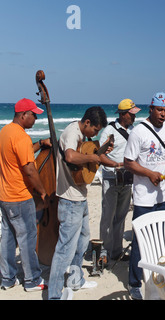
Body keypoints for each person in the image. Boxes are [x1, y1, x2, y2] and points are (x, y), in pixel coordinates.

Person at [48, 106, 111, 300]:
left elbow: (85, 158)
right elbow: (70, 156)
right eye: (95, 129)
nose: (96, 133)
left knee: (83, 242)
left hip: (81, 198)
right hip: (70, 201)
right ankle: (54, 295)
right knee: (65, 249)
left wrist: (101, 153)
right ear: (87, 123)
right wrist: (93, 157)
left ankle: (76, 280)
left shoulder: (82, 137)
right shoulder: (71, 132)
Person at [123, 92, 165, 300]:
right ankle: (134, 283)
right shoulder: (138, 132)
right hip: (144, 196)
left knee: (161, 239)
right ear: (151, 108)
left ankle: (156, 276)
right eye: (160, 110)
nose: (163, 114)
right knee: (140, 240)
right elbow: (128, 162)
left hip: (163, 196)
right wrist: (149, 173)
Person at [0, 99, 51, 292]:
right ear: (23, 115)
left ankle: (7, 278)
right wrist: (42, 191)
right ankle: (31, 280)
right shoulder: (21, 137)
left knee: (8, 238)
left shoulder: (5, 132)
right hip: (20, 196)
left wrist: (39, 143)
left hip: (4, 195)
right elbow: (29, 169)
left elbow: (18, 156)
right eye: (34, 114)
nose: (36, 118)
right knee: (28, 238)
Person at [98, 99, 140, 263]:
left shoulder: (133, 130)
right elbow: (100, 155)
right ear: (123, 114)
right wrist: (117, 164)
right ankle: (104, 254)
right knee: (107, 218)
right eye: (131, 114)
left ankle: (116, 251)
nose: (134, 117)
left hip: (127, 179)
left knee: (121, 216)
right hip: (111, 178)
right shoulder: (109, 131)